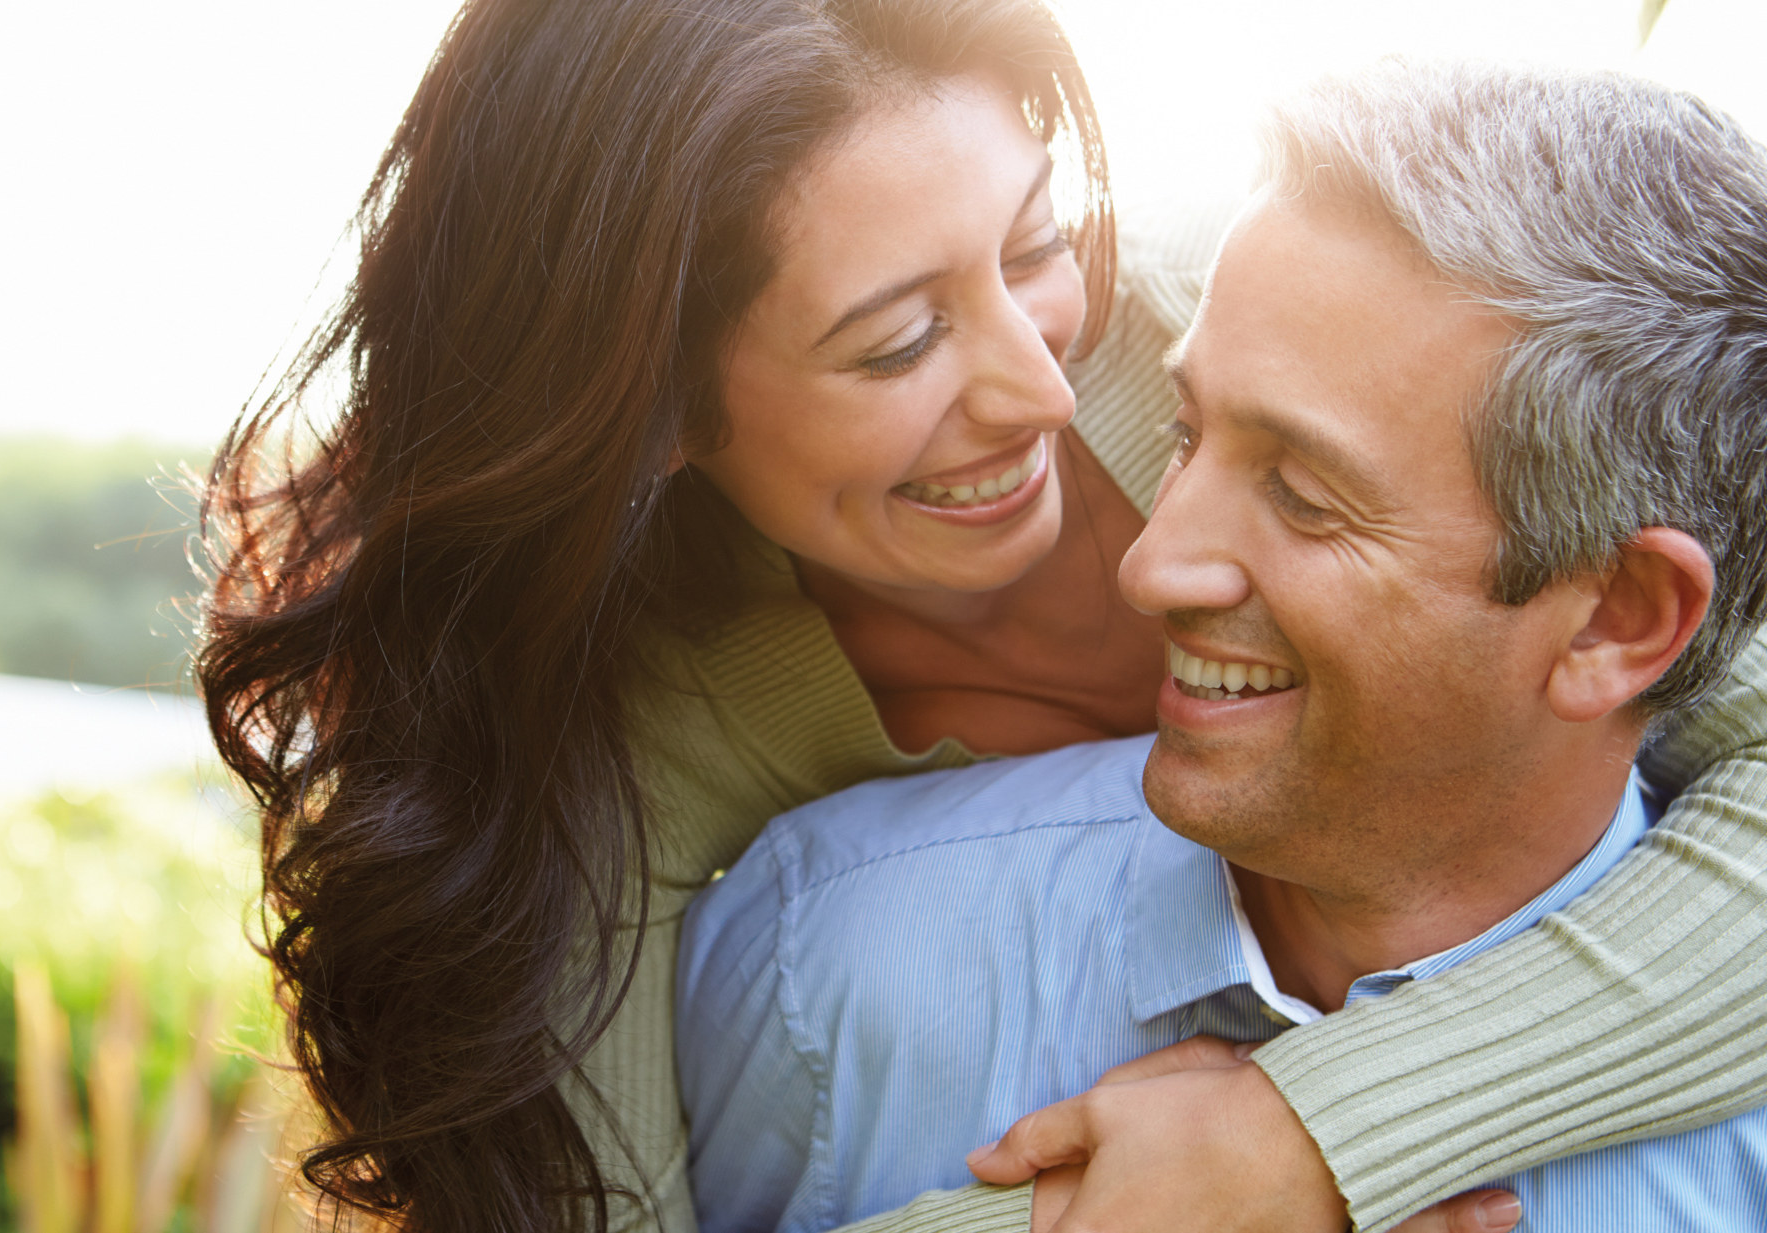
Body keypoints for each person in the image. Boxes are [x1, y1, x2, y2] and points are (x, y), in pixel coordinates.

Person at [192, 0, 1767, 1227]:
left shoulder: (1285, 344)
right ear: (656, 405)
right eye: (895, 344)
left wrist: (1319, 1133)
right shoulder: (640, 741)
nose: (1037, 382)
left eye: (1033, 247)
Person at [678, 60, 1767, 1233]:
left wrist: (1327, 1132)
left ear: (1614, 618)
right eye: (1182, 431)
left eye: (1301, 494)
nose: (1146, 567)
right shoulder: (819, 961)